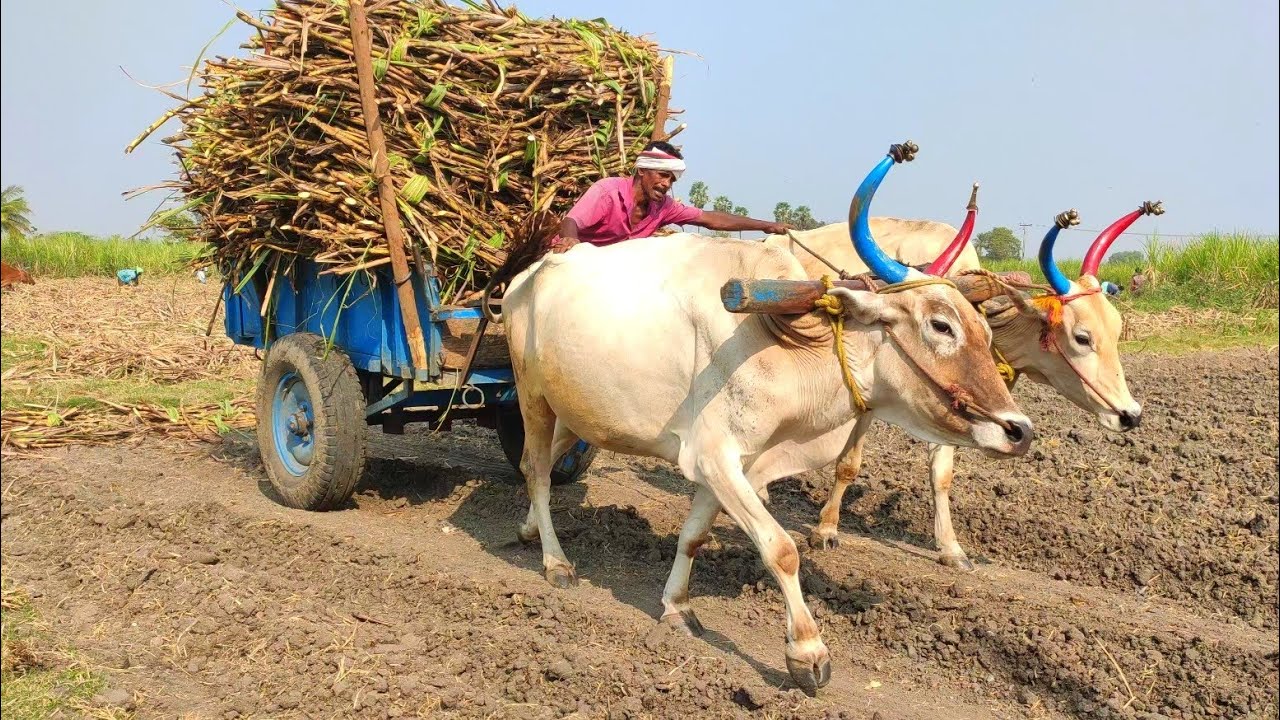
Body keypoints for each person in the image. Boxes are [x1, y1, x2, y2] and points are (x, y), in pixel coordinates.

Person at [549, 141, 791, 253]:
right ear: (642, 170)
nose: (666, 184)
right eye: (663, 175)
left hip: (611, 277)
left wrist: (767, 226)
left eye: (672, 180)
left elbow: (710, 219)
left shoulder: (663, 207)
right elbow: (572, 222)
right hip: (575, 268)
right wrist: (571, 243)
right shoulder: (607, 192)